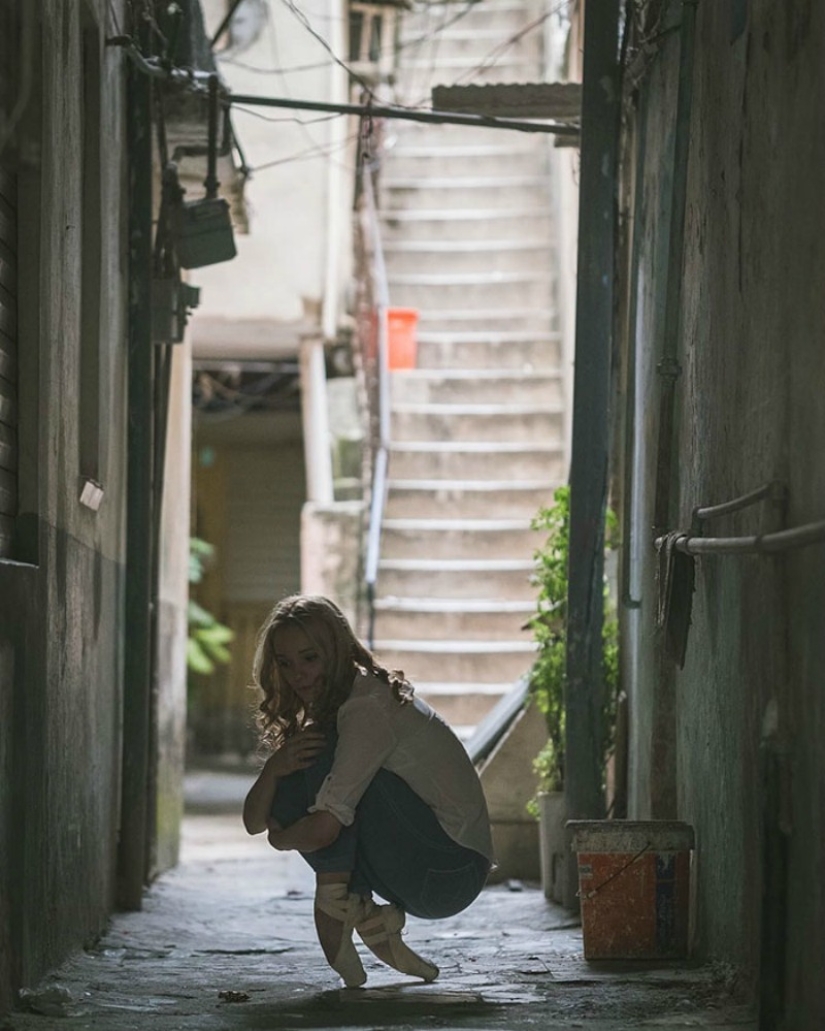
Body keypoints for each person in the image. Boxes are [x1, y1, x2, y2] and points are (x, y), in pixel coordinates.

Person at [242, 594, 494, 988]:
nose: (298, 675)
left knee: (323, 757)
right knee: (298, 764)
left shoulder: (366, 707)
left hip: (451, 870)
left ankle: (335, 906)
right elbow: (254, 822)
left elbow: (322, 830)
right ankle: (366, 916)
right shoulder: (345, 707)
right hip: (423, 867)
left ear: (337, 651)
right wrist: (274, 769)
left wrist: (282, 839)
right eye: (286, 663)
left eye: (310, 658)